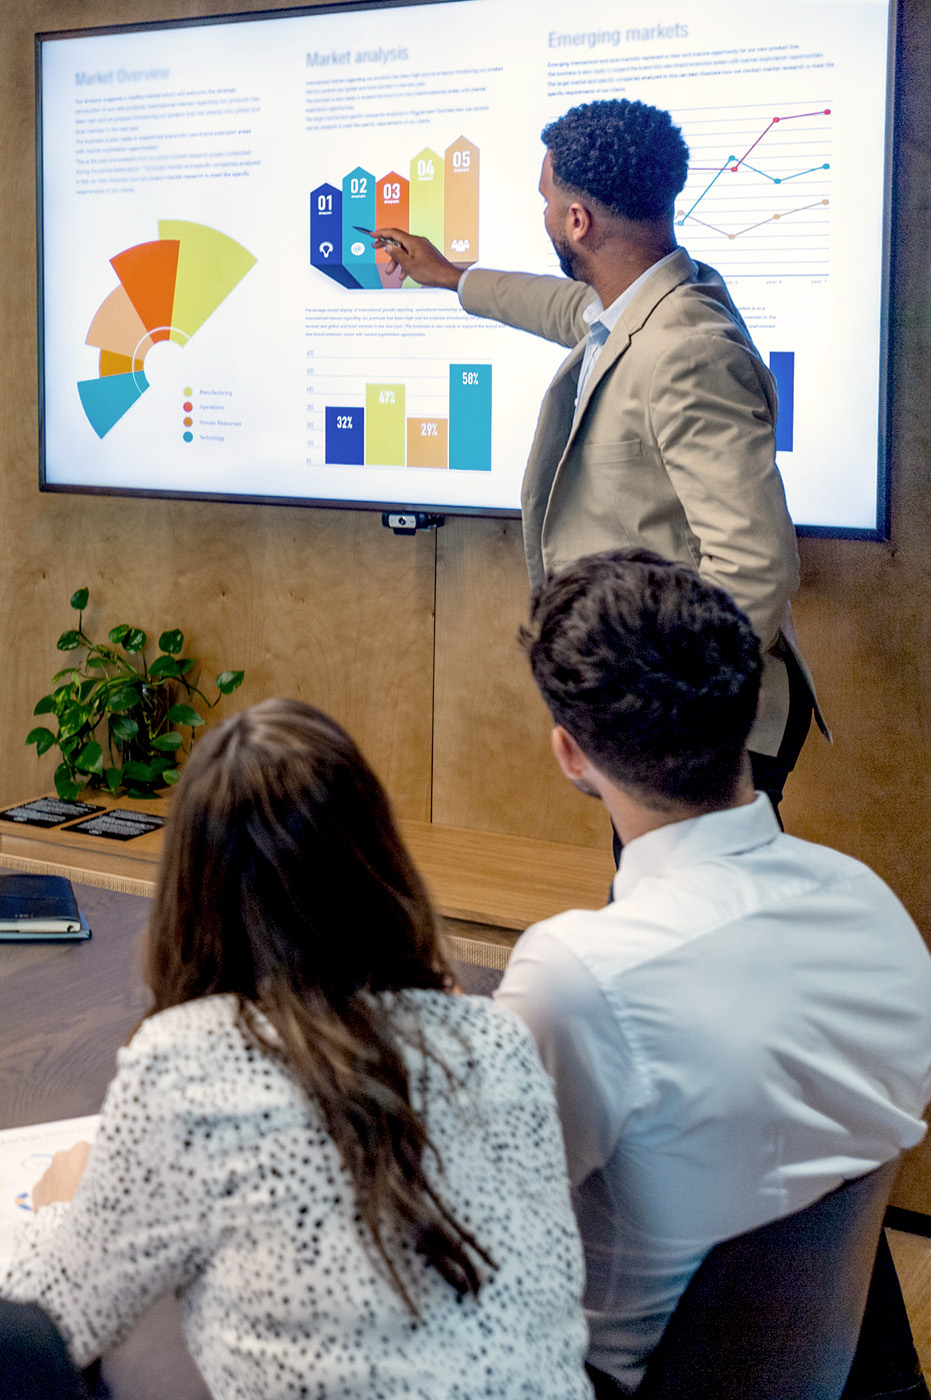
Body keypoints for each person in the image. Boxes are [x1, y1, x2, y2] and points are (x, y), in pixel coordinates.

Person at [0, 698, 593, 1400]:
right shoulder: (498, 1041)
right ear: (379, 856)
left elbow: (55, 1322)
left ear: (191, 886)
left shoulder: (185, 1063)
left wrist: (61, 1206)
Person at [494, 548, 931, 1396]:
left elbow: (475, 1220)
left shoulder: (578, 973)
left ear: (570, 753)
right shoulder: (869, 904)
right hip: (830, 1373)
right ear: (749, 710)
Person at [373, 98, 823, 818]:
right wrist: (451, 276)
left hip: (699, 732)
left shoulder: (686, 349)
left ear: (577, 221)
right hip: (670, 716)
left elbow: (757, 565)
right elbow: (564, 308)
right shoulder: (653, 295)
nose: (545, 214)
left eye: (548, 201)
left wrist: (661, 718)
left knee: (676, 921)